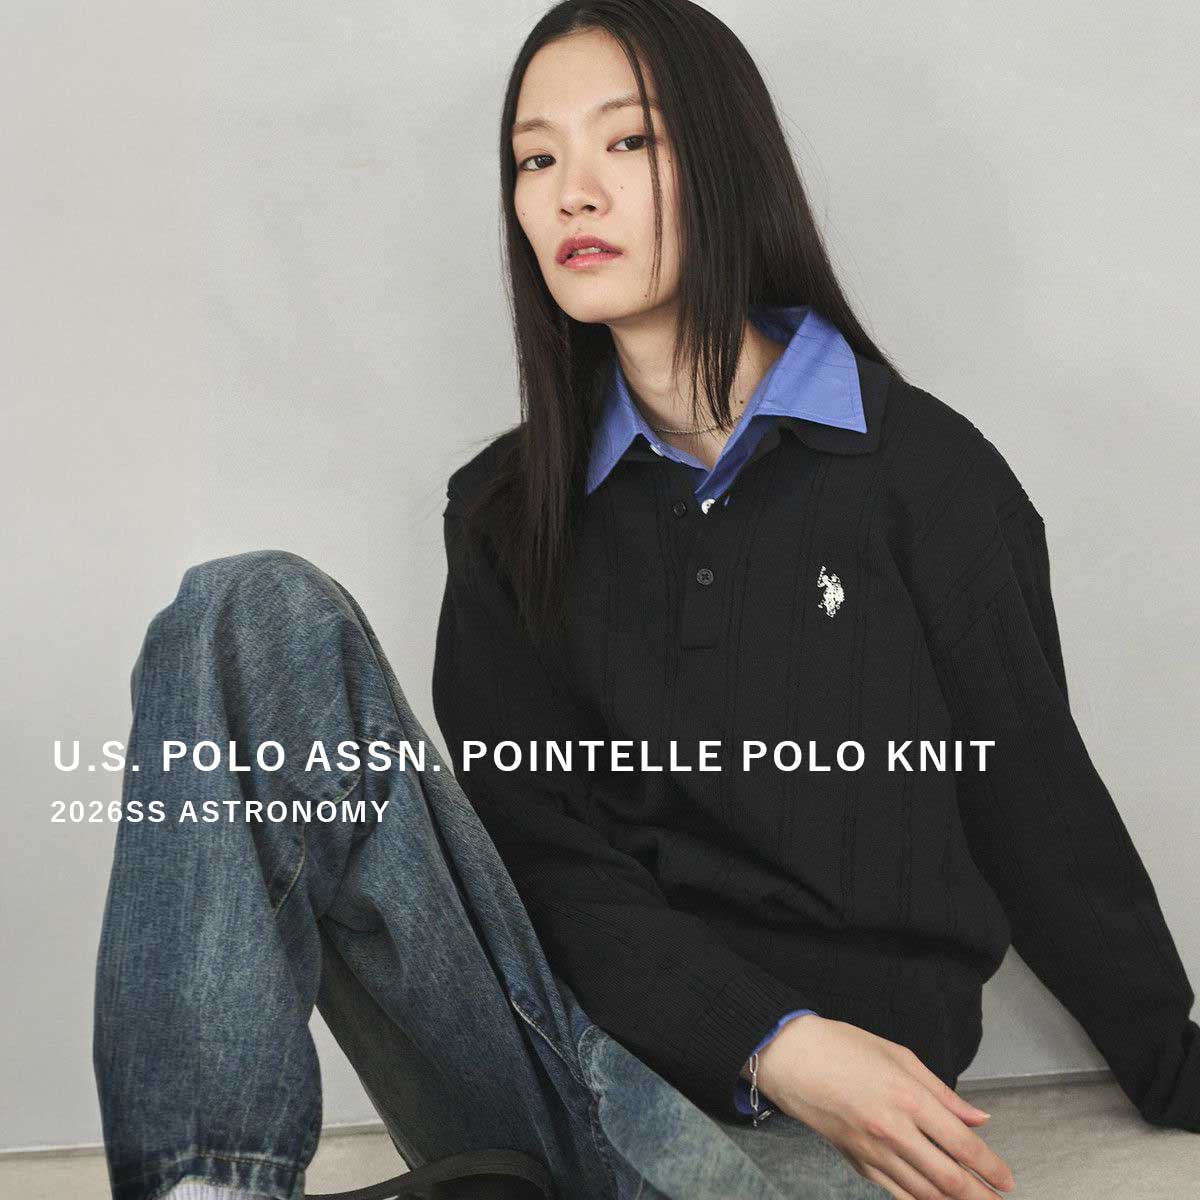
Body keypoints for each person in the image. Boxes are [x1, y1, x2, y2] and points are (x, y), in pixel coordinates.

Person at [93, 2, 1200, 1199]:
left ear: (728, 161)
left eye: (628, 141)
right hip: (548, 1058)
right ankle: (209, 1186)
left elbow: (1038, 809)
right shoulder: (506, 509)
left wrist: (1171, 1063)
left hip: (807, 1129)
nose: (573, 193)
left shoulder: (926, 479)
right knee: (247, 611)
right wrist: (767, 1038)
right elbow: (540, 849)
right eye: (535, 159)